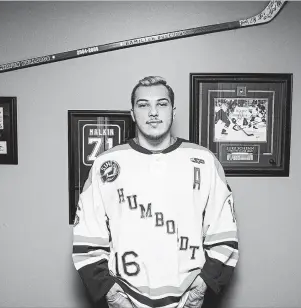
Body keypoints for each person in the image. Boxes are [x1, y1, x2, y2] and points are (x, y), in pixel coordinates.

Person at [72, 76, 239, 308]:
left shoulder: (204, 161)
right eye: (143, 104)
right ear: (132, 113)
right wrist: (110, 293)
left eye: (162, 104)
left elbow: (224, 233)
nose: (153, 112)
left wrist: (204, 286)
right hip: (125, 298)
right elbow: (87, 236)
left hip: (188, 298)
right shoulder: (106, 164)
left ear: (173, 110)